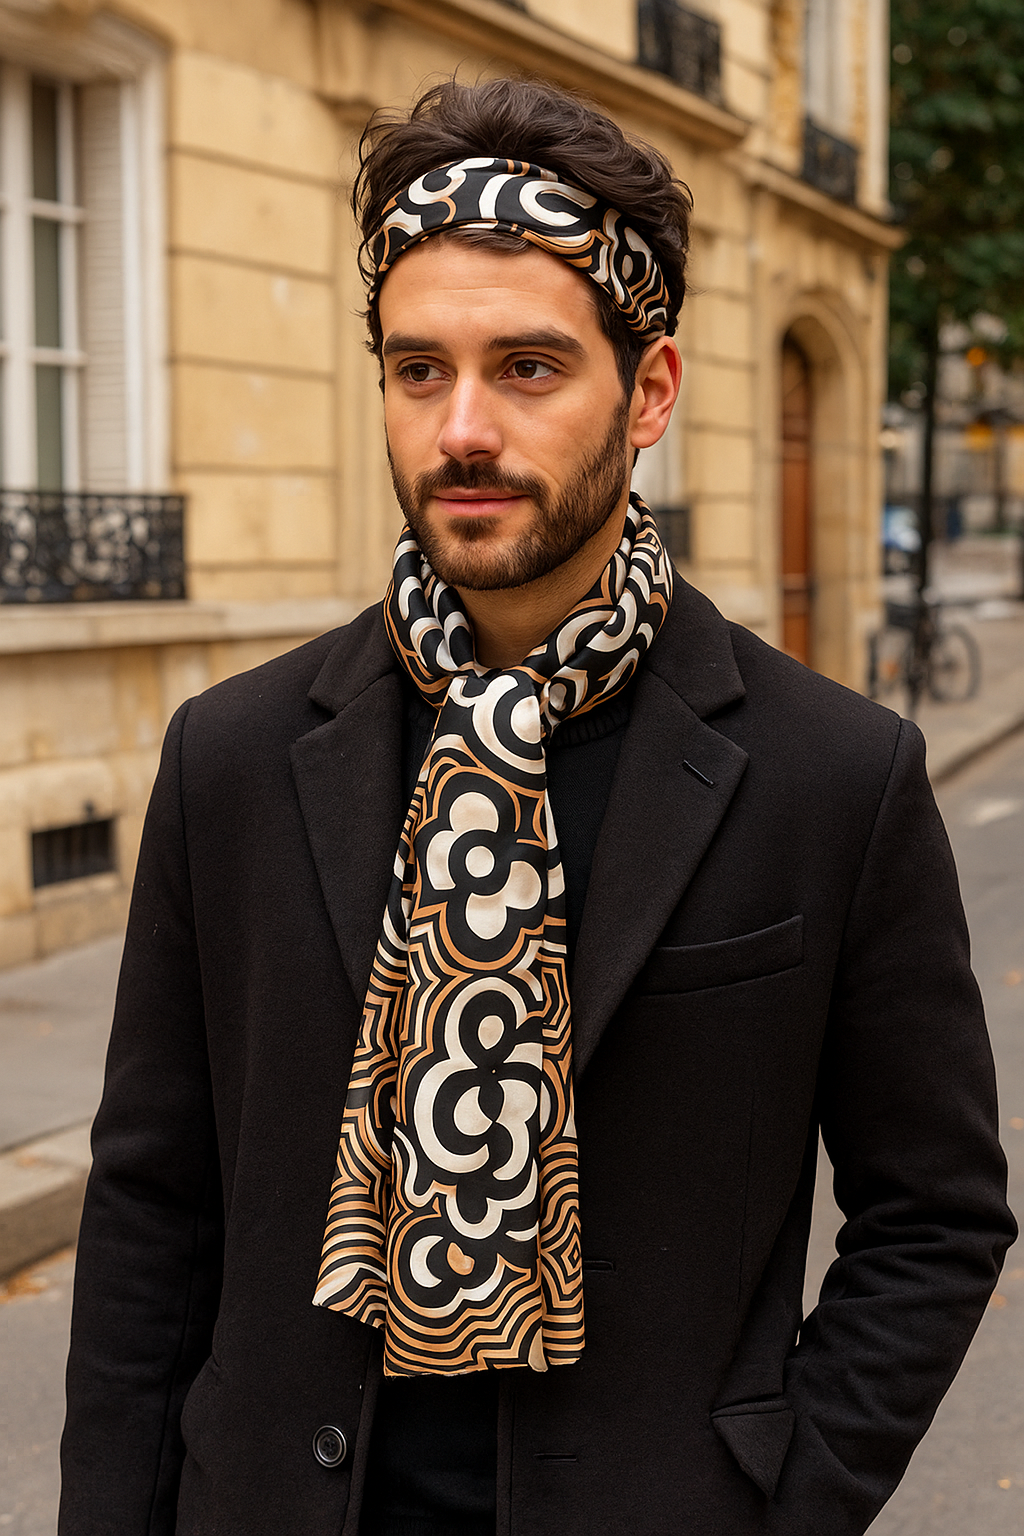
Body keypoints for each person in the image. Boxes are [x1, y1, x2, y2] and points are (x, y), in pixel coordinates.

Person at [60, 77, 1014, 1536]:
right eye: (417, 368)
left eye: (526, 368)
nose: (460, 429)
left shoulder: (837, 777)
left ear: (648, 393)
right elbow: (150, 1213)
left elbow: (933, 1215)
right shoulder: (232, 758)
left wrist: (779, 1503)